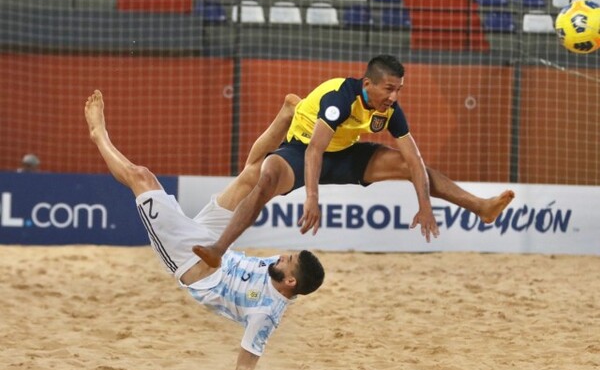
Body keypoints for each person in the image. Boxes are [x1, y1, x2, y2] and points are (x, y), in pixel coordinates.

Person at [84, 90, 325, 370]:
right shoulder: (280, 272)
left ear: (291, 282)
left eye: (288, 260)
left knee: (141, 177)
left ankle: (99, 134)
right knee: (251, 175)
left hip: (187, 257)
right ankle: (286, 112)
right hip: (215, 243)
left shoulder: (265, 315)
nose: (280, 256)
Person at [193, 54, 515, 268]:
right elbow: (314, 150)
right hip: (302, 149)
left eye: (399, 90)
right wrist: (312, 198)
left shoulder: (389, 110)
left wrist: (425, 204)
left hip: (345, 154)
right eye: (389, 89)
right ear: (368, 84)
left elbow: (414, 159)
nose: (394, 96)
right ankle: (218, 250)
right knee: (263, 178)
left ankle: (480, 207)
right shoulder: (340, 98)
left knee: (407, 166)